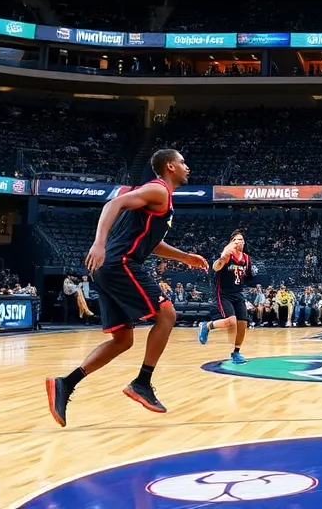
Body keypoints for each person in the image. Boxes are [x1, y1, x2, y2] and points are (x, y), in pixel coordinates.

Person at [46, 150, 208, 428]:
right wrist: (99, 242)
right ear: (170, 166)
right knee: (167, 315)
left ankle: (65, 384)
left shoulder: (159, 200)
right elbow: (114, 204)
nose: (187, 167)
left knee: (123, 340)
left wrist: (184, 257)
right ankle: (142, 383)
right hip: (119, 263)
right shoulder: (158, 190)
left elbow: (151, 243)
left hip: (106, 269)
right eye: (182, 162)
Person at [198, 231, 251, 364]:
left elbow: (248, 277)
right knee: (231, 321)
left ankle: (236, 353)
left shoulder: (246, 258)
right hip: (224, 293)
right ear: (231, 242)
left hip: (237, 294)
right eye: (237, 239)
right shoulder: (227, 256)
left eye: (242, 239)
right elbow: (216, 268)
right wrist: (223, 255)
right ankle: (206, 326)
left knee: (242, 323)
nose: (240, 242)